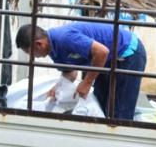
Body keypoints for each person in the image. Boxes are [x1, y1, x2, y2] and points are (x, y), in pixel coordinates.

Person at [15, 22, 147, 120]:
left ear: (39, 44)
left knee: (119, 113)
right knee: (101, 105)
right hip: (107, 60)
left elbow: (102, 52)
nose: (32, 57)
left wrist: (87, 82)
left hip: (128, 52)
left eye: (30, 52)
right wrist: (58, 87)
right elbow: (70, 72)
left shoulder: (64, 38)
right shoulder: (53, 51)